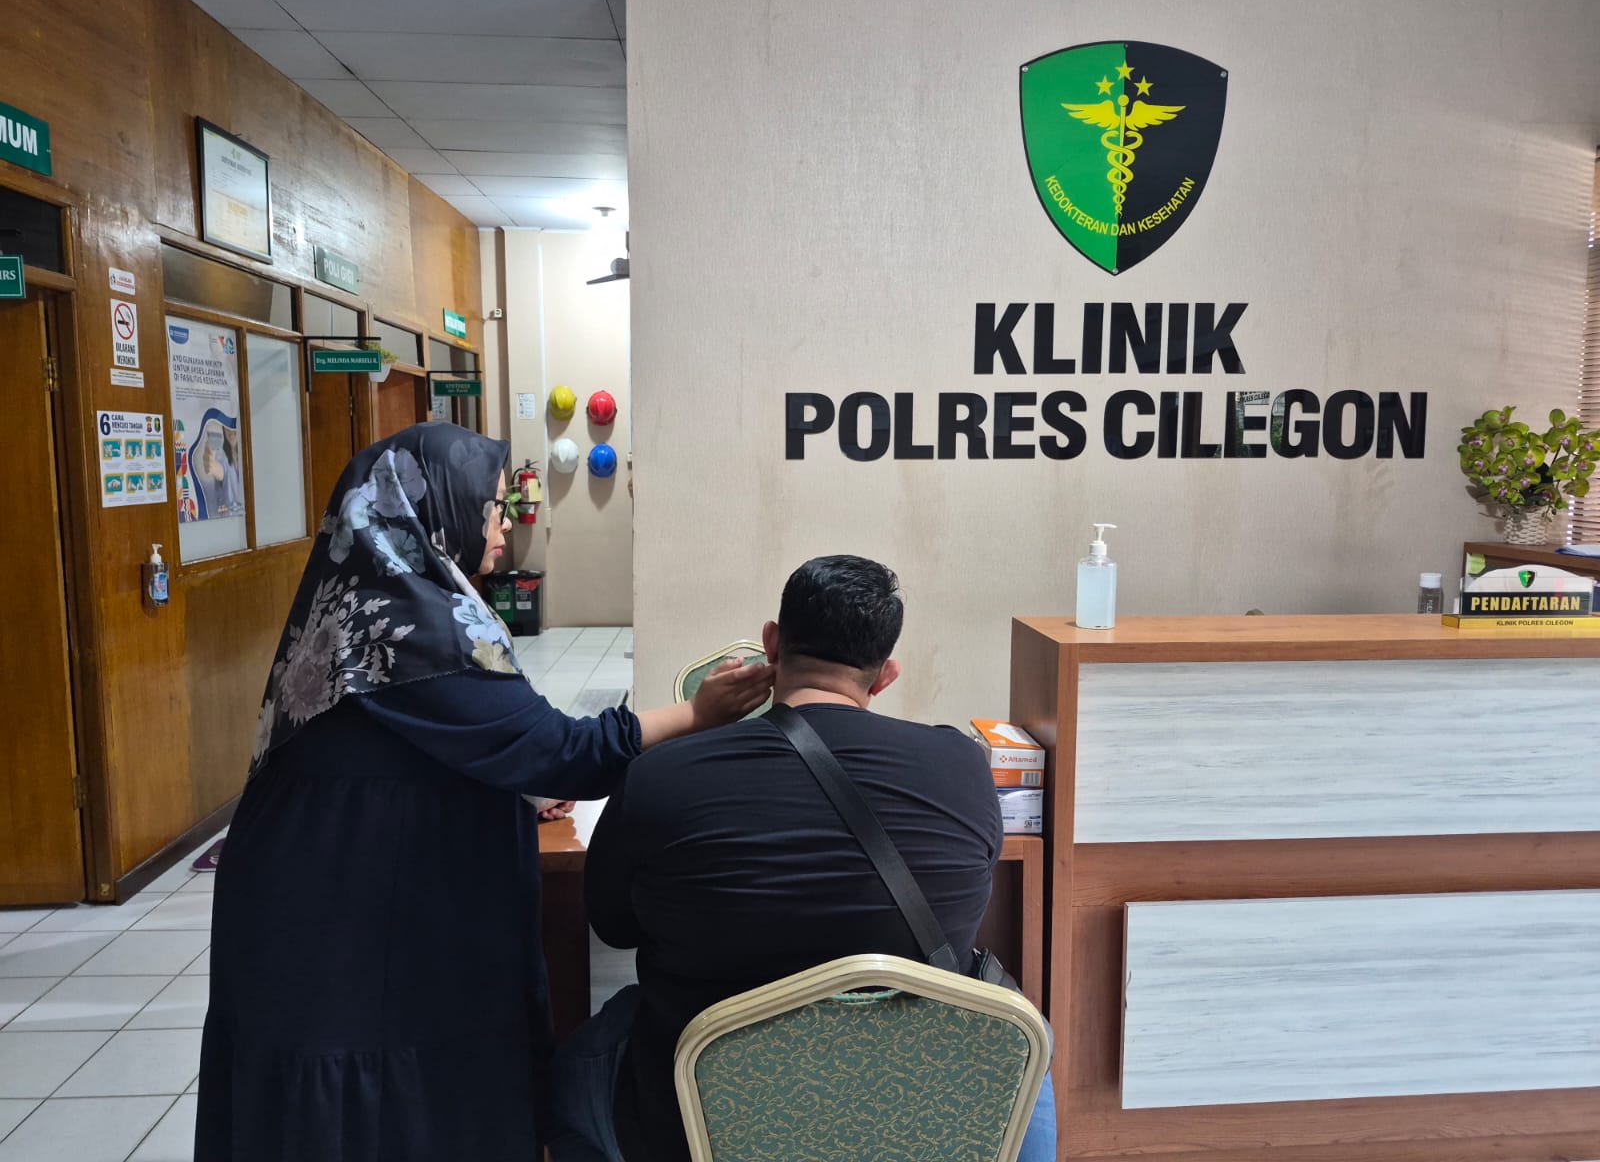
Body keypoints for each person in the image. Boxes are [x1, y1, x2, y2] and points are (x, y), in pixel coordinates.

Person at [194, 422, 773, 1162]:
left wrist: (509, 785)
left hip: (339, 866)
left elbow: (430, 738)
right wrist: (699, 713)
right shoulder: (412, 621)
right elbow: (562, 752)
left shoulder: (377, 593)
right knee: (368, 1078)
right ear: (432, 511)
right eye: (492, 508)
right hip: (344, 892)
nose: (502, 527)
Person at [546, 554, 1055, 1162]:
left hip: (703, 1121)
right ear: (885, 675)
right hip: (915, 1114)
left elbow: (612, 924)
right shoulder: (964, 767)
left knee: (577, 1066)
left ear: (771, 643)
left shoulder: (659, 775)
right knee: (1026, 1051)